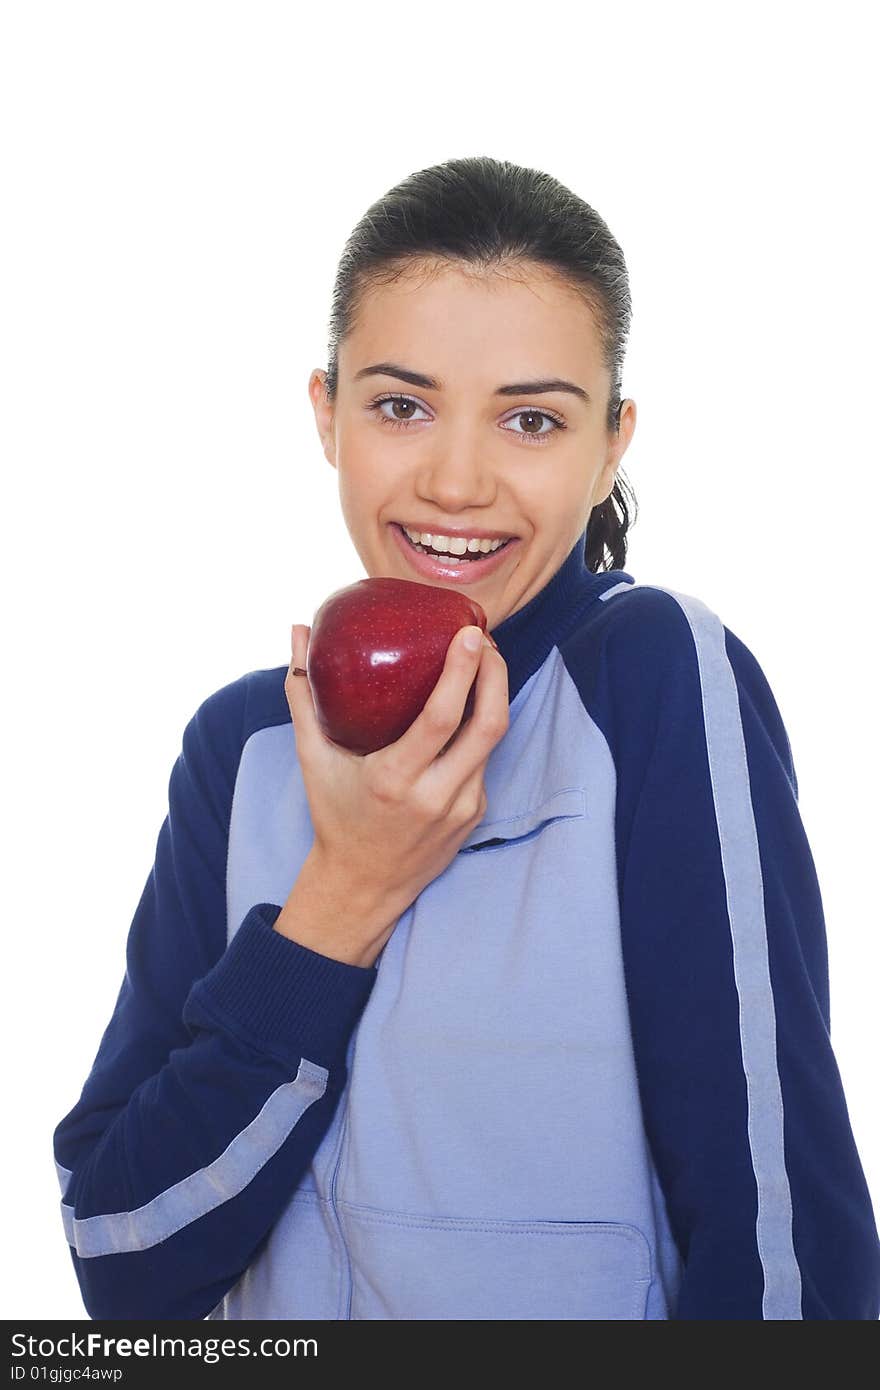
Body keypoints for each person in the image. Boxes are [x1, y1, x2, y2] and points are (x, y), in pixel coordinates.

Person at [53, 155, 880, 1321]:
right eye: (400, 405)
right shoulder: (238, 745)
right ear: (325, 414)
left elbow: (783, 1247)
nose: (455, 480)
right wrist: (340, 897)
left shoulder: (651, 675)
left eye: (532, 419)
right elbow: (123, 1264)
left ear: (609, 446)